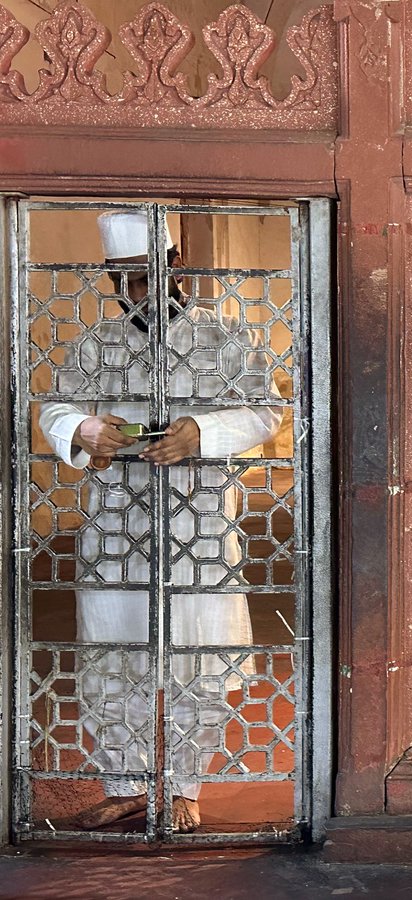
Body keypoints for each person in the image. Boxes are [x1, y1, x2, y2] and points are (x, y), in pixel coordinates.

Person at [38, 210, 282, 833]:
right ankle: (125, 783)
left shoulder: (225, 338)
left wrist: (202, 432)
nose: (133, 288)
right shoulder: (96, 343)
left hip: (197, 526)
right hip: (116, 524)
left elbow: (266, 411)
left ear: (174, 265)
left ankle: (183, 786)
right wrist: (84, 429)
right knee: (113, 654)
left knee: (195, 655)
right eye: (121, 277)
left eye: (144, 274)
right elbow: (54, 407)